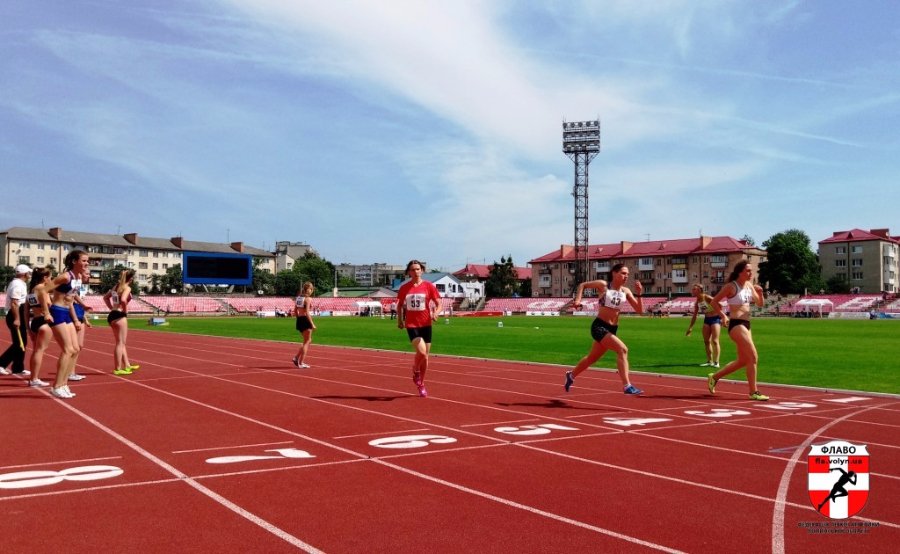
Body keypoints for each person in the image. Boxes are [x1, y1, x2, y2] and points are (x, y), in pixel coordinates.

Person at [564, 264, 644, 395]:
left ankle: (571, 375)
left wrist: (639, 293)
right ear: (614, 273)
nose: (626, 276)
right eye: (623, 273)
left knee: (591, 359)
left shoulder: (626, 291)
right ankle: (627, 386)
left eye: (628, 274)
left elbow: (640, 311)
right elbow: (582, 285)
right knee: (622, 349)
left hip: (612, 329)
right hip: (599, 326)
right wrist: (578, 300)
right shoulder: (603, 285)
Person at [706, 260, 769, 401]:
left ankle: (714, 377)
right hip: (736, 324)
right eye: (748, 270)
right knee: (753, 357)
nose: (751, 273)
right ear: (740, 272)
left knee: (743, 360)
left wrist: (760, 293)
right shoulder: (731, 286)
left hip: (747, 324)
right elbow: (714, 301)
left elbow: (759, 304)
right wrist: (723, 316)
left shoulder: (749, 285)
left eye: (751, 270)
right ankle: (753, 392)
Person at [396, 259, 442, 397]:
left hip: (426, 324)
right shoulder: (404, 288)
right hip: (412, 325)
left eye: (418, 269)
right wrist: (400, 320)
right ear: (409, 272)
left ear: (422, 271)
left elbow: (439, 303)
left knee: (426, 357)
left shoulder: (429, 286)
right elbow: (399, 305)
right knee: (421, 353)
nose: (415, 272)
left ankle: (421, 383)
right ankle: (415, 370)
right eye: (412, 269)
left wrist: (436, 313)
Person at [47, 251, 89, 398]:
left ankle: (64, 384)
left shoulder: (78, 277)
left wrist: (82, 305)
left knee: (75, 348)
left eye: (87, 261)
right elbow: (42, 290)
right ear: (74, 261)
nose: (87, 264)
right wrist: (46, 311)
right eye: (84, 261)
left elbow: (72, 296)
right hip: (57, 311)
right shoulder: (65, 276)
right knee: (67, 349)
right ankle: (56, 386)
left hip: (67, 312)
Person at [103, 269, 139, 376]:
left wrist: (112, 308)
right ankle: (117, 368)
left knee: (121, 342)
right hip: (119, 315)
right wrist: (125, 311)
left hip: (112, 315)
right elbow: (123, 300)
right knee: (120, 343)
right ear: (131, 279)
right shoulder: (127, 288)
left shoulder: (116, 287)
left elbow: (105, 298)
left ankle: (127, 365)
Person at [1, 264, 33, 377]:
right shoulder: (17, 285)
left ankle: (18, 368)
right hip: (16, 314)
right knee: (19, 343)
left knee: (22, 342)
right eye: (29, 273)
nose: (30, 275)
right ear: (24, 274)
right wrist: (17, 319)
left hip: (19, 313)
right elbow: (14, 303)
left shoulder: (20, 283)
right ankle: (1, 363)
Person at [24, 268, 54, 387]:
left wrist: (28, 328)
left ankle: (33, 378)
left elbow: (26, 312)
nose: (51, 280)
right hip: (44, 321)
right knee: (39, 351)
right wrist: (47, 313)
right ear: (45, 278)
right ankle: (34, 379)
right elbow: (45, 306)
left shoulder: (31, 291)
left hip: (35, 322)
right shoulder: (42, 289)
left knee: (36, 351)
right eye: (50, 277)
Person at [685, 283, 722, 368]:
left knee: (715, 341)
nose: (692, 291)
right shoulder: (697, 302)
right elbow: (694, 316)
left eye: (694, 289)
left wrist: (722, 317)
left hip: (715, 319)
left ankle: (716, 362)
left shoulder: (707, 297)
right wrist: (690, 327)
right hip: (707, 320)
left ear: (699, 290)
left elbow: (720, 305)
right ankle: (709, 361)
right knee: (706, 341)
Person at [67, 267, 93, 382]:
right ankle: (69, 372)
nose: (89, 276)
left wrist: (85, 319)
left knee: (79, 346)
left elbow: (80, 304)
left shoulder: (81, 287)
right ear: (81, 274)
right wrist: (75, 319)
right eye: (87, 273)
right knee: (74, 347)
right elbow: (70, 302)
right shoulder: (74, 284)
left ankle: (71, 371)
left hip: (80, 315)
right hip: (74, 316)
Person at [291, 281, 316, 369]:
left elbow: (295, 311)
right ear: (308, 289)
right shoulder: (308, 299)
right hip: (305, 319)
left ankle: (296, 358)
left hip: (299, 320)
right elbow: (308, 313)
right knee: (307, 341)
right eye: (311, 289)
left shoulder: (298, 298)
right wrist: (312, 324)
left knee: (307, 340)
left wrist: (299, 319)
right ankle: (300, 362)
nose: (312, 290)